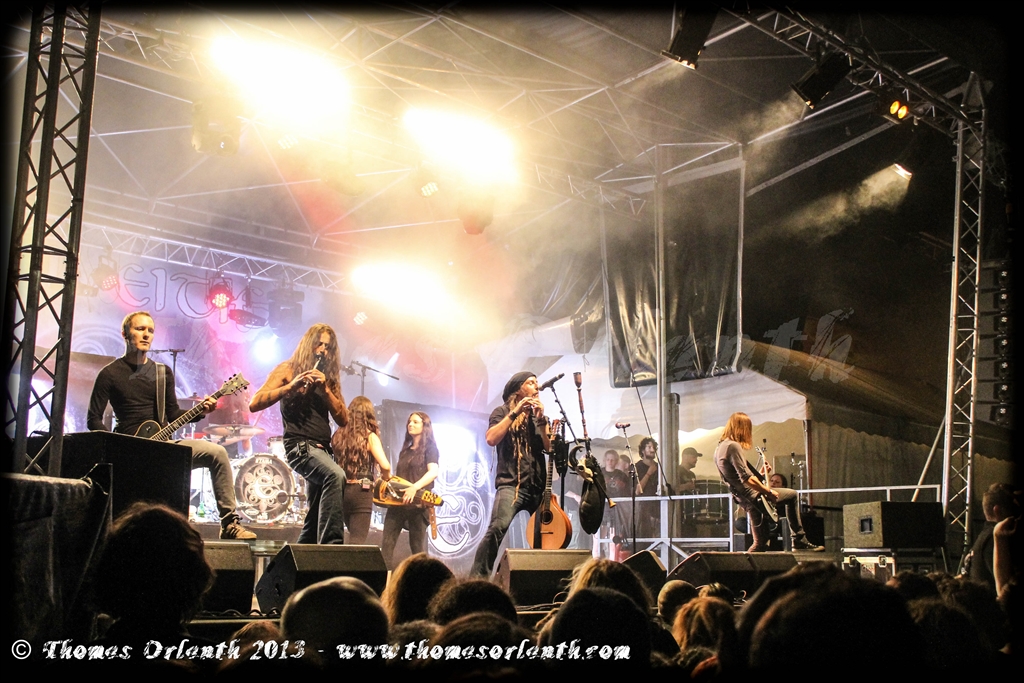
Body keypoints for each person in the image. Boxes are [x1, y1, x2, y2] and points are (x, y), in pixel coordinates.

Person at [87, 311, 255, 539]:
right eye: (140, 329)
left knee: (217, 453)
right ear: (125, 333)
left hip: (164, 446)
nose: (146, 334)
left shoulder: (162, 372)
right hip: (129, 451)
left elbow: (174, 414)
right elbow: (93, 419)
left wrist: (201, 412)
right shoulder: (109, 374)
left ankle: (229, 524)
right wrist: (116, 448)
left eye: (150, 330)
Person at [249, 323, 348, 544]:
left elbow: (343, 419)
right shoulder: (288, 369)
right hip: (301, 447)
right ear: (308, 344)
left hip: (323, 451)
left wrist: (325, 389)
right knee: (336, 475)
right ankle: (332, 547)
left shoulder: (328, 380)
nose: (323, 350)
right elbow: (254, 403)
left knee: (313, 521)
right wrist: (291, 387)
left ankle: (297, 563)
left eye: (328, 347)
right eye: (319, 344)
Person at [470, 371, 551, 577]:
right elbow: (491, 438)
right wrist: (515, 412)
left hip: (537, 486)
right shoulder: (502, 411)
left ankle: (539, 581)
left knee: (544, 534)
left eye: (537, 383)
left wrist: (542, 421)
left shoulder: (539, 417)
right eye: (531, 383)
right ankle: (477, 579)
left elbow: (549, 448)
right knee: (498, 527)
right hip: (511, 484)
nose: (536, 387)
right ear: (518, 389)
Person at [714, 412, 822, 552]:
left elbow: (735, 477)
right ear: (743, 428)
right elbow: (746, 478)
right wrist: (768, 492)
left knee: (760, 543)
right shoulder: (733, 446)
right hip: (755, 497)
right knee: (792, 495)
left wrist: (761, 473)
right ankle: (799, 540)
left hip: (745, 498)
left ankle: (745, 566)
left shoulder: (720, 448)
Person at [380, 412, 440, 568]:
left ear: (425, 426)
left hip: (418, 505)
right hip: (397, 504)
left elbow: (433, 472)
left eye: (415, 422)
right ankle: (383, 580)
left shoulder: (430, 449)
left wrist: (414, 487)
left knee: (417, 550)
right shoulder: (405, 451)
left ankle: (421, 582)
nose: (410, 424)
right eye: (409, 422)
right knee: (386, 546)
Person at [331, 395, 391, 545]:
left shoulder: (338, 435)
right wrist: (386, 477)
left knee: (341, 537)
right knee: (357, 540)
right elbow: (385, 466)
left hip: (340, 489)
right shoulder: (369, 437)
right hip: (361, 492)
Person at [635, 436, 660, 539]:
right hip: (644, 509)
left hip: (658, 508)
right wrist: (649, 473)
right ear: (643, 450)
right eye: (649, 447)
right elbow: (638, 490)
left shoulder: (659, 467)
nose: (652, 450)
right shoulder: (637, 467)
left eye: (653, 447)